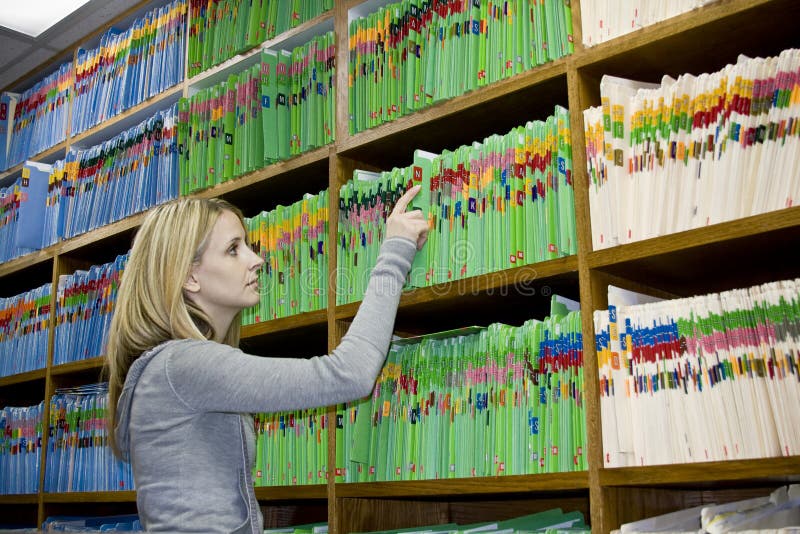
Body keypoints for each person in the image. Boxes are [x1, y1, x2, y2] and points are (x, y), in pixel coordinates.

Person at [105, 187, 429, 534]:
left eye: (247, 245)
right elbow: (349, 374)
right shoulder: (183, 365)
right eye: (233, 249)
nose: (256, 259)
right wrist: (395, 253)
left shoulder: (170, 369)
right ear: (189, 277)